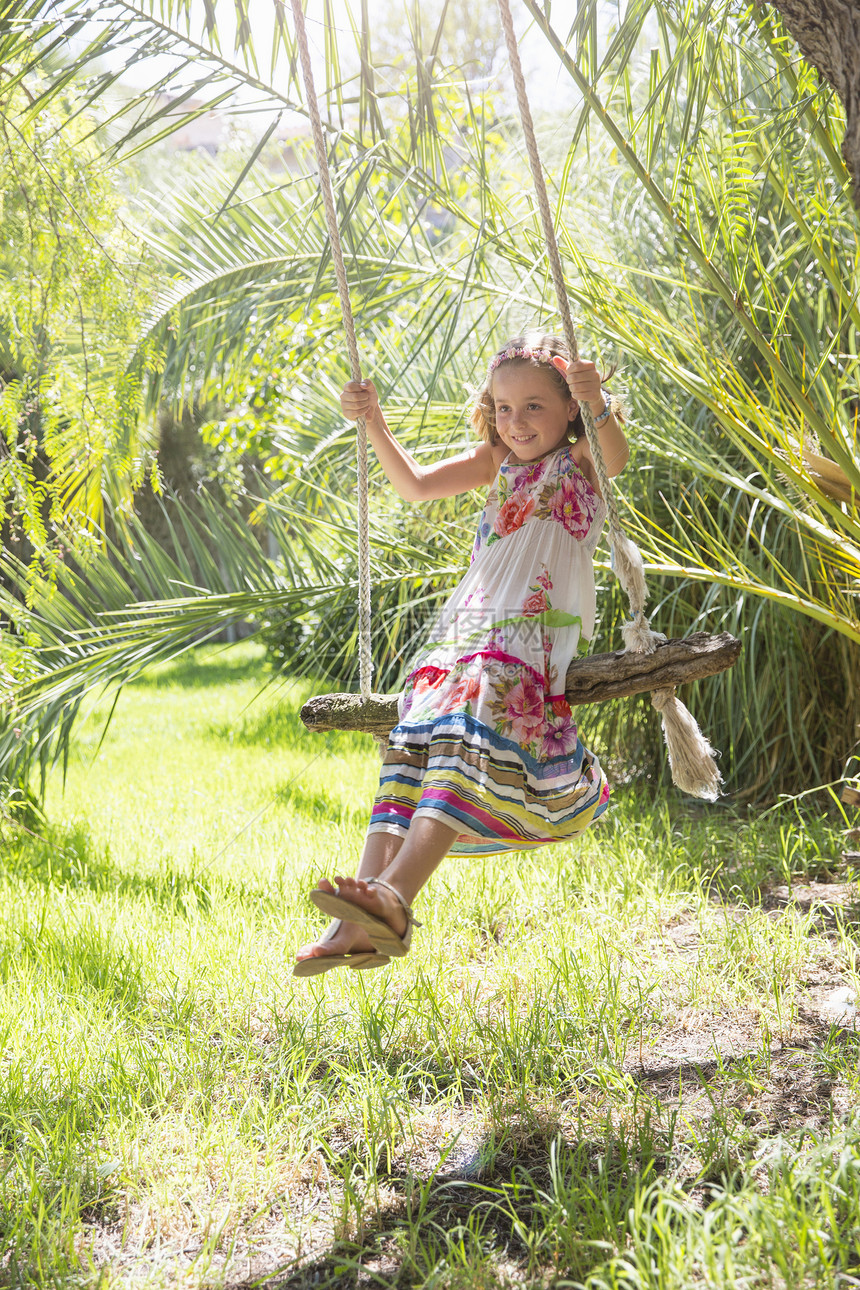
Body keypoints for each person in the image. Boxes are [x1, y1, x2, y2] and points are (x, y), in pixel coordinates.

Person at [293, 331, 630, 976]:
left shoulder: (580, 458)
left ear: (567, 409)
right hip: (471, 627)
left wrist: (600, 404)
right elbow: (415, 486)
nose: (516, 421)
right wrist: (376, 425)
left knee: (462, 739)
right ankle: (352, 925)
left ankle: (394, 898)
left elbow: (614, 458)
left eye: (534, 406)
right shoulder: (495, 463)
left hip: (531, 628)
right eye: (504, 408)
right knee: (411, 743)